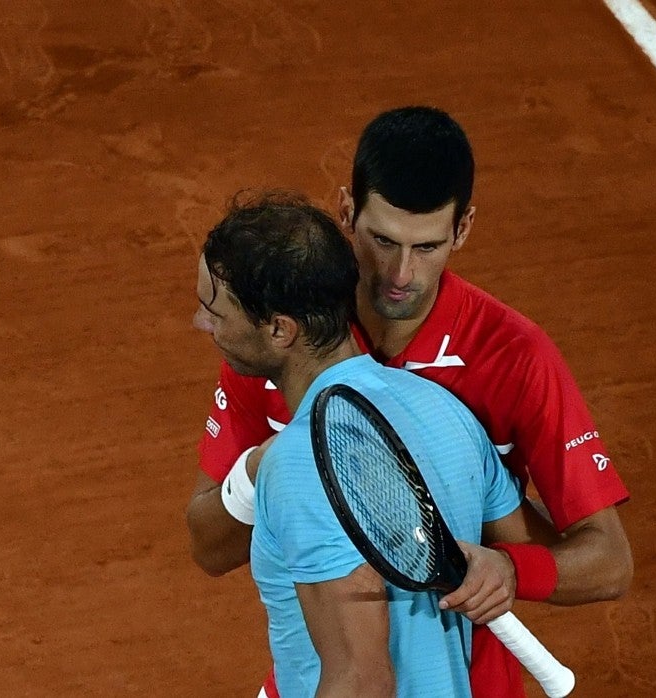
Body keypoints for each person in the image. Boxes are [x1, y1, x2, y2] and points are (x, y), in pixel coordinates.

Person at [185, 106, 633, 697]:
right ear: (347, 212)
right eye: (382, 241)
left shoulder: (514, 357)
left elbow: (608, 561)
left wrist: (509, 569)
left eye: (427, 247)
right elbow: (210, 546)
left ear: (463, 229)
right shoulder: (283, 328)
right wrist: (264, 466)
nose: (401, 274)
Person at [193, 192, 528, 697]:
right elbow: (517, 552)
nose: (204, 325)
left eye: (215, 311)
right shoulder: (447, 412)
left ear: (280, 330)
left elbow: (361, 680)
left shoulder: (301, 464)